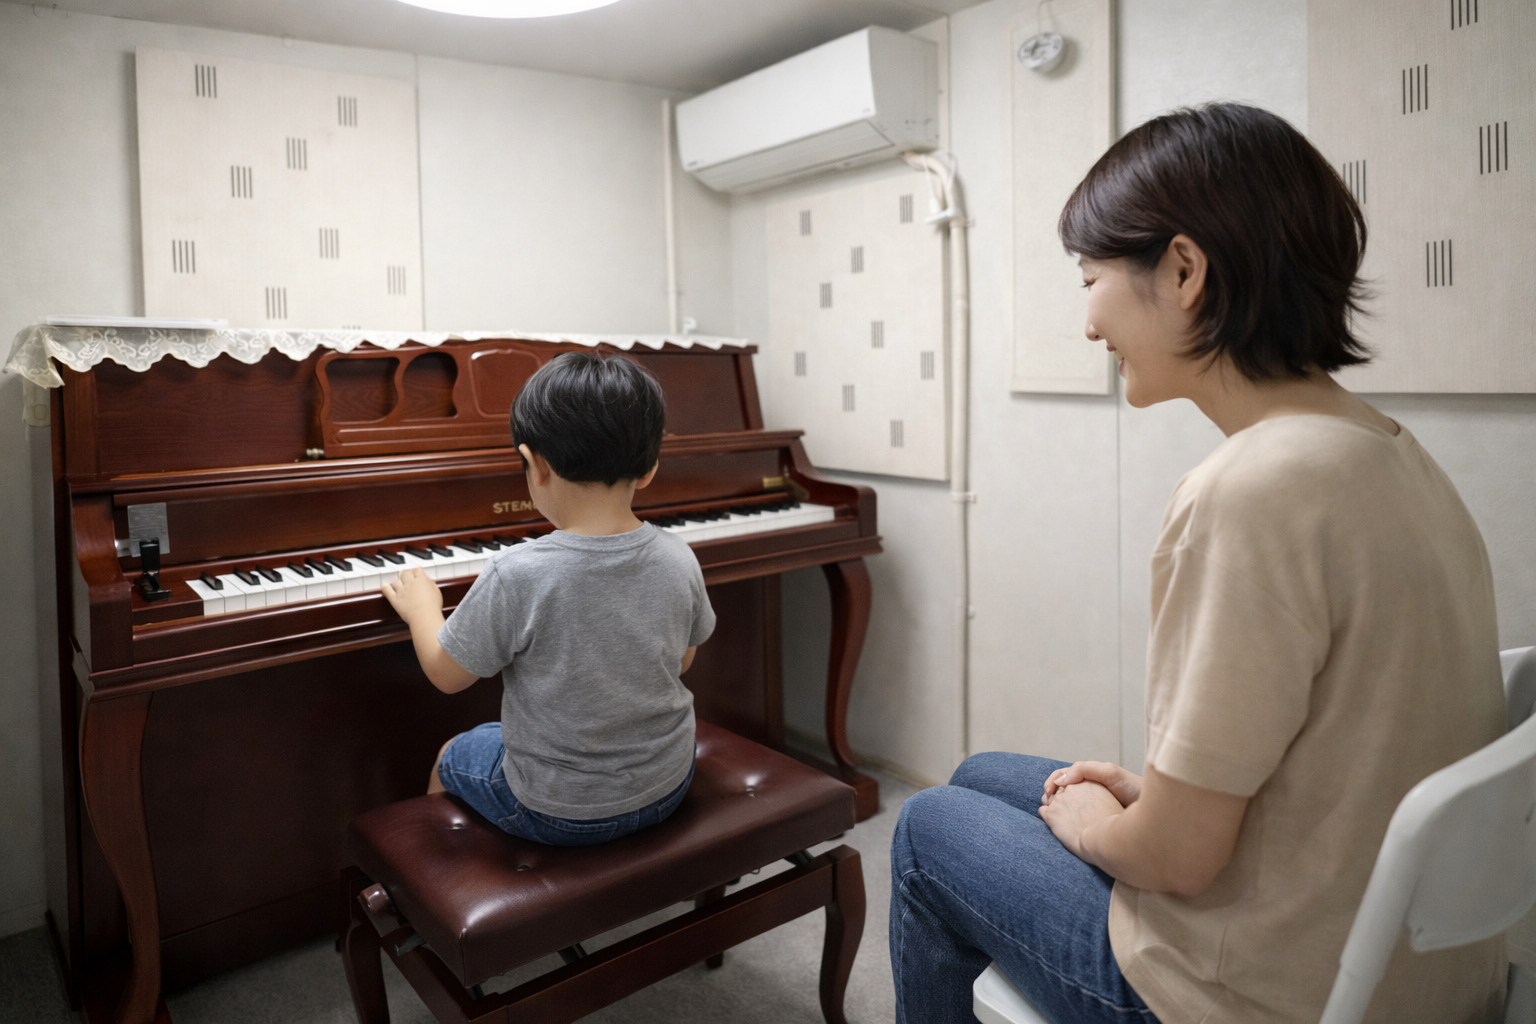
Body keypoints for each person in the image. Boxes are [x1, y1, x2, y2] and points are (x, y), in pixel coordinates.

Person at [889, 103, 1508, 1023]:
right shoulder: (1387, 451)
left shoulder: (1248, 492)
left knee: (927, 826)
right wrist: (1143, 802)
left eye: (1091, 277)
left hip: (1259, 993)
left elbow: (1179, 861)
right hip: (1398, 955)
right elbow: (1341, 738)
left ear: (1183, 270)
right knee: (986, 772)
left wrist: (1115, 830)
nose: (1090, 323)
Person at [382, 351, 715, 847]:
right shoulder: (677, 555)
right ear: (648, 469)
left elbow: (447, 675)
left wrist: (422, 609)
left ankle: (440, 879)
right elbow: (682, 660)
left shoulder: (517, 572)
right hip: (667, 782)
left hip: (560, 810)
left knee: (454, 750)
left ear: (534, 464)